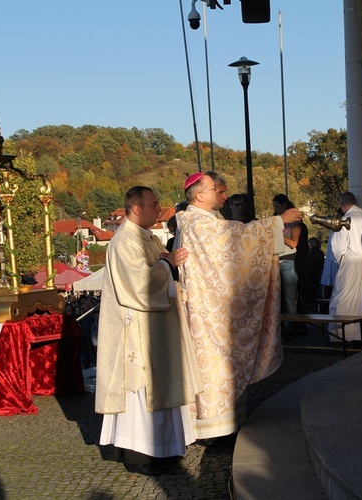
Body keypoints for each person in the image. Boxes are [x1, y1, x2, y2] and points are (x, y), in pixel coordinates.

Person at [175, 171, 302, 439]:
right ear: (199, 194)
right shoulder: (197, 223)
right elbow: (236, 239)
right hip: (207, 310)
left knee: (224, 363)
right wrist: (279, 220)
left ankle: (227, 425)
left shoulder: (207, 219)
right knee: (215, 364)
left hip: (216, 305)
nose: (223, 195)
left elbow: (236, 244)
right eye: (217, 191)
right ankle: (214, 430)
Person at [95, 186, 201, 476]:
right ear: (136, 208)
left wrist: (167, 264)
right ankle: (140, 453)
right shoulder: (124, 241)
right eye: (154, 205)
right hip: (137, 334)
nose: (158, 209)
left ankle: (164, 449)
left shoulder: (147, 237)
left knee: (161, 386)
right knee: (141, 392)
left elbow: (161, 270)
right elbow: (140, 283)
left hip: (156, 328)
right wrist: (167, 264)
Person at [328, 191, 362, 342]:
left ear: (342, 204)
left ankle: (346, 334)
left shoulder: (345, 220)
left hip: (352, 263)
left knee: (344, 298)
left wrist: (339, 260)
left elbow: (338, 247)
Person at [272, 194, 309, 317]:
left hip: (289, 260)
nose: (275, 209)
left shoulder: (295, 223)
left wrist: (278, 235)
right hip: (276, 260)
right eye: (274, 206)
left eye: (277, 206)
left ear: (284, 206)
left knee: (289, 298)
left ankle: (292, 326)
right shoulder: (275, 220)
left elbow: (294, 243)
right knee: (276, 298)